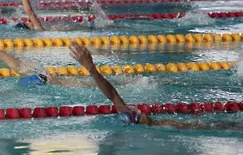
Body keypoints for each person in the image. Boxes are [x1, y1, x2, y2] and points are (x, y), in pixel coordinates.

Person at [69, 41, 242, 129]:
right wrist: (91, 69)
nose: (139, 110)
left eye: (134, 112)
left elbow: (114, 96)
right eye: (136, 113)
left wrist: (91, 68)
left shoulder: (151, 124)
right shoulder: (160, 125)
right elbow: (114, 95)